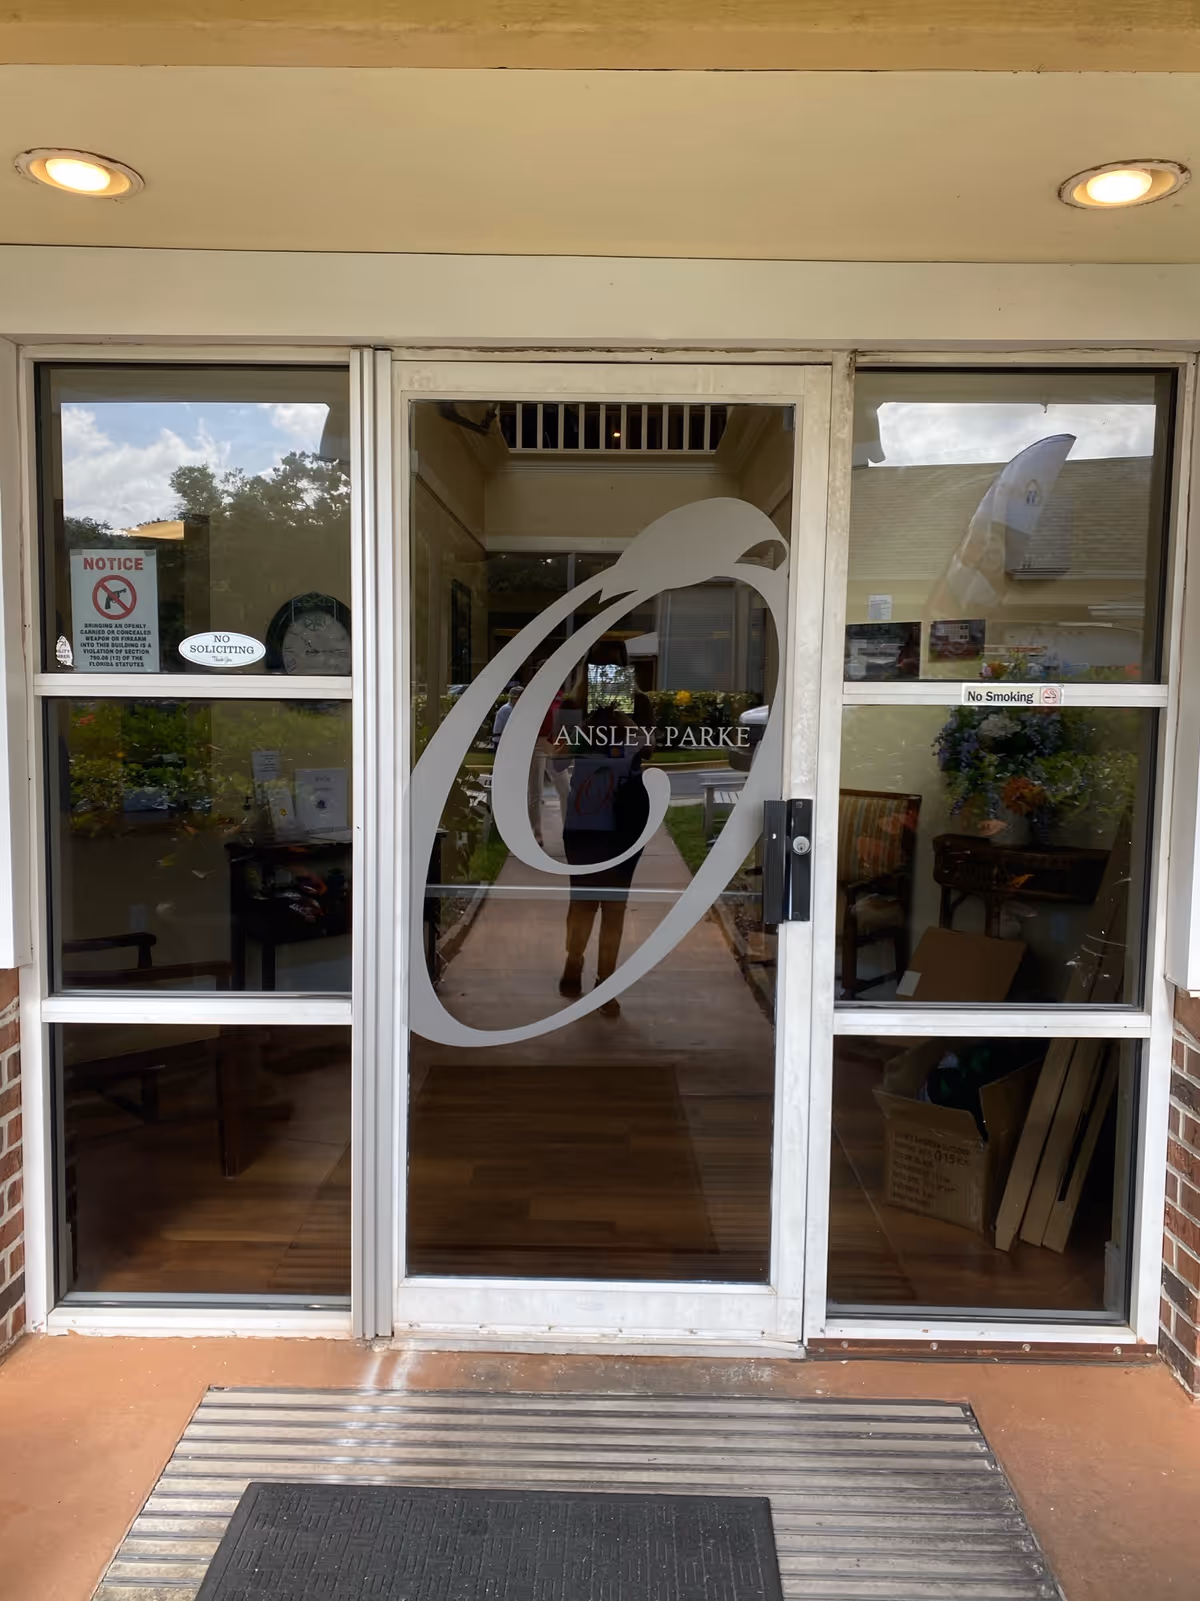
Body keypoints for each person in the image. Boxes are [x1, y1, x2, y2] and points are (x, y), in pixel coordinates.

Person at [559, 706, 650, 1018]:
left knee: (613, 909)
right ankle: (574, 959)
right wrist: (589, 723)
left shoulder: (627, 745)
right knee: (583, 903)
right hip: (583, 833)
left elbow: (647, 741)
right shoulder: (582, 740)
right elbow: (557, 760)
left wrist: (618, 718)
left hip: (620, 835)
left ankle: (605, 981)